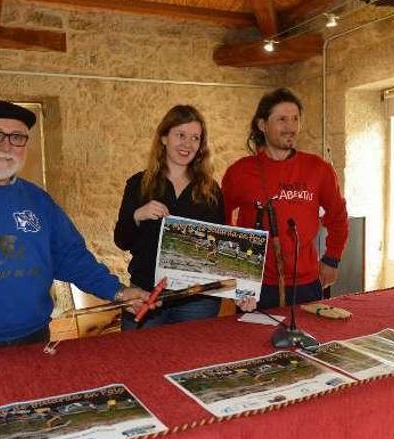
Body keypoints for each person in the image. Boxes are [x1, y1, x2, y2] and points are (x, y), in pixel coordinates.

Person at [0, 97, 150, 348]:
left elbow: (70, 256)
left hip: (34, 338)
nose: (7, 146)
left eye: (17, 137)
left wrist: (118, 291)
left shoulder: (39, 201)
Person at [114, 105, 252, 330]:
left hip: (197, 300)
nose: (188, 144)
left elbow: (221, 250)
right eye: (180, 135)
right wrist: (138, 215)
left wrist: (241, 289)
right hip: (146, 295)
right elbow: (121, 240)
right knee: (141, 361)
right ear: (164, 138)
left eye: (195, 138)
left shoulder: (211, 190)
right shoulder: (138, 184)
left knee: (193, 362)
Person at [222, 88, 349, 310]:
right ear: (262, 125)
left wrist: (332, 259)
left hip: (307, 282)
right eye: (282, 120)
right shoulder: (240, 172)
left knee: (308, 342)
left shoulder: (319, 169)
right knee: (249, 344)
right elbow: (220, 218)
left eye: (295, 119)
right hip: (254, 284)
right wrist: (235, 263)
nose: (290, 127)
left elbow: (338, 216)